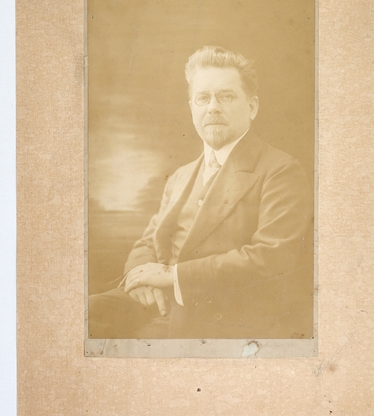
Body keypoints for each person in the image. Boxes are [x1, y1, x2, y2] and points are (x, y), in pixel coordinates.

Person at [89, 46, 313, 340]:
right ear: (192, 107)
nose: (213, 107)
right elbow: (147, 242)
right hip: (156, 304)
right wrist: (141, 278)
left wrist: (172, 277)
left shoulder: (280, 170)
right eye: (203, 98)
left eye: (226, 96)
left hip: (222, 318)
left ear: (252, 107)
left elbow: (271, 258)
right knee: (81, 316)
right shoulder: (180, 176)